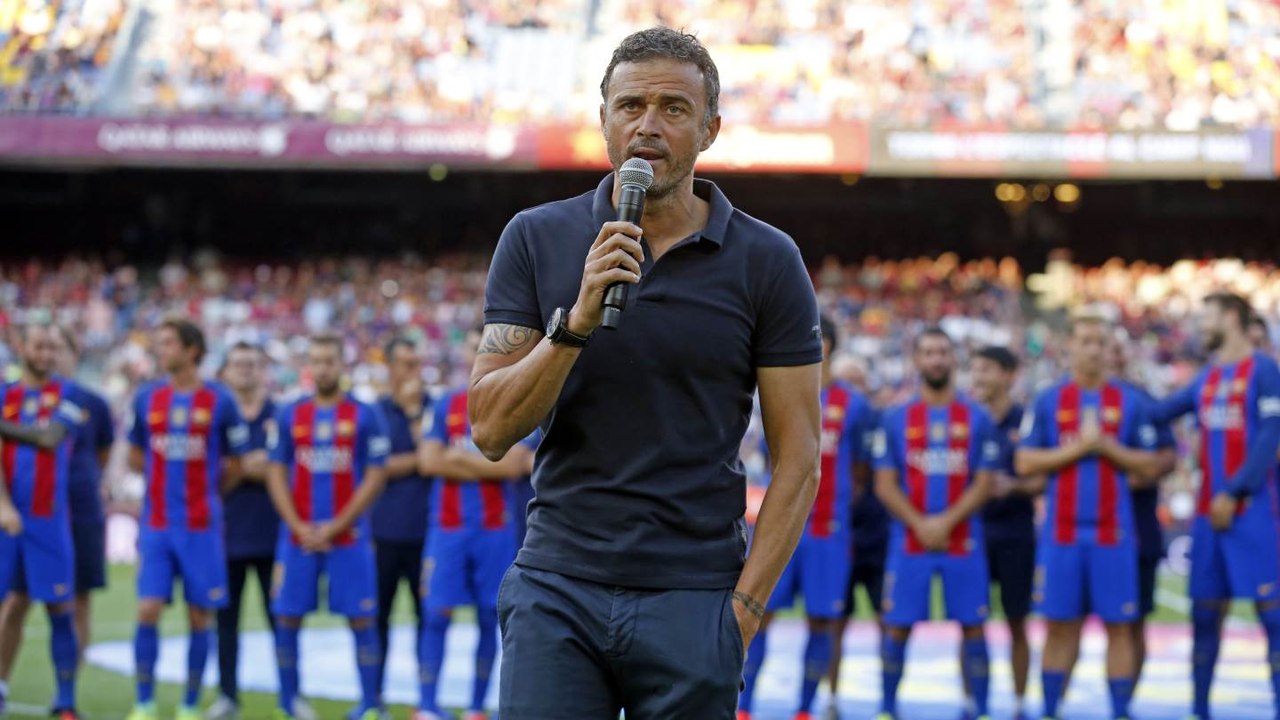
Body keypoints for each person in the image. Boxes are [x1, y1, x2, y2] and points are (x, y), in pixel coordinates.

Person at [471, 26, 823, 718]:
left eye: (673, 108)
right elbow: (489, 428)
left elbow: (800, 456)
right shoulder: (536, 237)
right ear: (603, 120)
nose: (648, 126)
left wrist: (742, 615)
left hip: (694, 596)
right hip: (558, 586)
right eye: (630, 106)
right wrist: (574, 324)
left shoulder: (768, 259)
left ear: (711, 129)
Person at [1017, 312, 1166, 720]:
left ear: (1109, 349)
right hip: (1060, 535)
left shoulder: (1129, 401)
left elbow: (1151, 465)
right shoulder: (1049, 400)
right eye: (1085, 341)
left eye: (1100, 342)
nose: (1093, 349)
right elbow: (1025, 460)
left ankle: (1119, 711)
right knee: (1059, 626)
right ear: (1070, 348)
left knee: (1120, 627)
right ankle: (1050, 709)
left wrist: (1105, 446)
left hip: (1114, 536)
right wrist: (1079, 449)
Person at [1147, 293, 1280, 720]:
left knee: (1273, 619)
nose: (1199, 326)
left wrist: (1236, 490)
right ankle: (1199, 711)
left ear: (1230, 317)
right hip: (1208, 516)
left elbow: (1270, 435)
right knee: (1204, 617)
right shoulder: (1208, 376)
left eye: (1205, 317)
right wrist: (1112, 390)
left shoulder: (1263, 369)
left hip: (1254, 511)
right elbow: (1161, 411)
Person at [738, 317, 876, 720]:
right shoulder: (777, 391)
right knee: (756, 611)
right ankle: (744, 707)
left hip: (828, 531)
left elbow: (862, 473)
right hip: (778, 525)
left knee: (822, 620)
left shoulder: (856, 405)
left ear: (826, 345)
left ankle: (804, 709)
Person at [872, 327, 999, 720]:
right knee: (897, 625)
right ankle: (888, 708)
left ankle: (977, 707)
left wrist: (944, 521)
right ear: (916, 360)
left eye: (943, 352)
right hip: (909, 540)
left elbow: (985, 481)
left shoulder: (978, 417)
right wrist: (921, 523)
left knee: (974, 625)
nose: (936, 359)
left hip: (964, 540)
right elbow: (884, 483)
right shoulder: (896, 418)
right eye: (928, 352)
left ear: (953, 359)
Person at [126, 318, 249, 720]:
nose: (161, 350)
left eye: (168, 343)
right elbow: (134, 453)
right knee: (147, 608)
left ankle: (190, 704)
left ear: (192, 350)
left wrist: (206, 494)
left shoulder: (220, 400)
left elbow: (236, 464)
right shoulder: (146, 398)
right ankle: (144, 702)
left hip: (201, 527)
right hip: (158, 524)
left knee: (200, 614)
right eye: (159, 343)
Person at [266, 333, 391, 720]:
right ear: (309, 366)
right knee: (287, 615)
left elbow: (375, 475)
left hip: (349, 537)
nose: (322, 368)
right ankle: (290, 703)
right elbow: (275, 471)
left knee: (361, 617)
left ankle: (370, 704)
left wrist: (336, 525)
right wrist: (297, 525)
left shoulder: (365, 414)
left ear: (342, 364)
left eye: (329, 360)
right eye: (316, 361)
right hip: (297, 537)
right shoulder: (290, 414)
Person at [414, 329, 537, 720]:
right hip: (447, 528)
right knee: (436, 613)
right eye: (473, 350)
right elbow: (429, 462)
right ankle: (428, 706)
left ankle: (475, 707)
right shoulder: (445, 404)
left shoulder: (516, 402)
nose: (479, 357)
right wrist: (490, 465)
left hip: (495, 529)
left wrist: (458, 461)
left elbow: (517, 466)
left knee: (491, 617)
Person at [0, 325, 112, 714]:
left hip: (53, 519)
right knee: (11, 606)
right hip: (8, 519)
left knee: (61, 607)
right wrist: (3, 504)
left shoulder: (71, 397)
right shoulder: (4, 395)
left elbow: (50, 439)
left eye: (54, 346)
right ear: (22, 346)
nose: (46, 353)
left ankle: (65, 700)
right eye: (39, 345)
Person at [207, 342, 286, 720]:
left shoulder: (280, 414)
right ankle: (227, 697)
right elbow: (213, 473)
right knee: (226, 624)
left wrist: (241, 466)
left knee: (282, 620)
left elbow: (286, 469)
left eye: (252, 363)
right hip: (226, 534)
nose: (245, 370)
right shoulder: (214, 414)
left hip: (274, 534)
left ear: (262, 369)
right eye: (238, 364)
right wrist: (248, 465)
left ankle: (290, 696)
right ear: (224, 371)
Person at [1107, 333, 1177, 696]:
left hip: (1137, 526)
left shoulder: (1145, 401)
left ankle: (1125, 705)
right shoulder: (1062, 399)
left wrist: (1123, 478)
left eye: (1119, 349)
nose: (1112, 357)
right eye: (1105, 348)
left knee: (1133, 622)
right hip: (1081, 528)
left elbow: (1169, 456)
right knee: (1065, 621)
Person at [968, 345, 1036, 720]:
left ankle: (1020, 702)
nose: (978, 377)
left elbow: (1043, 479)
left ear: (1008, 375)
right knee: (970, 621)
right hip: (973, 530)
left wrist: (1014, 487)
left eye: (987, 369)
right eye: (975, 369)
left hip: (1015, 533)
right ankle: (972, 701)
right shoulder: (968, 419)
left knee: (1017, 621)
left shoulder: (1025, 419)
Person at [827, 353, 887, 720]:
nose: (851, 388)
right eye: (844, 380)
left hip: (876, 536)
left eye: (857, 380)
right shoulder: (825, 418)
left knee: (889, 621)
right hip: (839, 535)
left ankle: (886, 697)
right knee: (834, 619)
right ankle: (831, 696)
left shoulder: (879, 421)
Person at [370, 337, 431, 697]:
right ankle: (373, 696)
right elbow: (374, 467)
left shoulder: (430, 407)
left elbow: (431, 459)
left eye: (416, 363)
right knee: (377, 620)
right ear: (389, 367)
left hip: (426, 533)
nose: (413, 371)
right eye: (405, 363)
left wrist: (412, 415)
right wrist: (419, 460)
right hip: (381, 534)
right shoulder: (374, 411)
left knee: (429, 620)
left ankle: (426, 698)